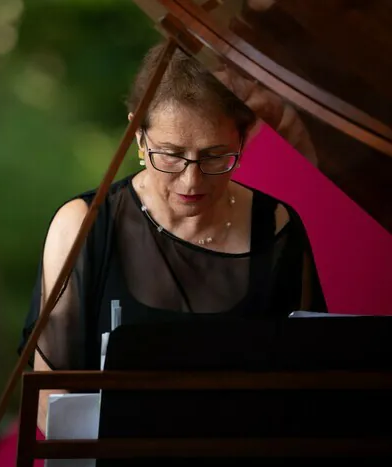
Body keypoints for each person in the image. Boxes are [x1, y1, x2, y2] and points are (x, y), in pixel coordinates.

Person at [19, 43, 328, 433]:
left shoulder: (276, 226)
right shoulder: (83, 225)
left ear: (243, 138)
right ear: (138, 136)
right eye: (170, 154)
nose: (191, 180)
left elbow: (308, 384)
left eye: (215, 156)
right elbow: (52, 403)